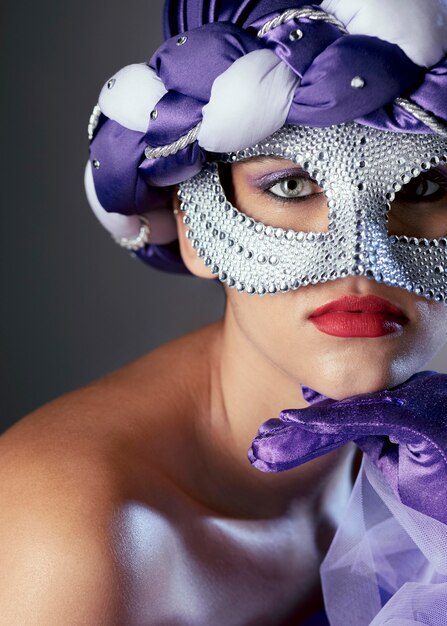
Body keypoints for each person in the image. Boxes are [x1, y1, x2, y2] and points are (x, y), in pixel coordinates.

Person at [1, 0, 447, 624]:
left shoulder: (418, 469)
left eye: (426, 187)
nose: (363, 265)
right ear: (190, 225)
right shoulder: (66, 533)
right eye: (291, 186)